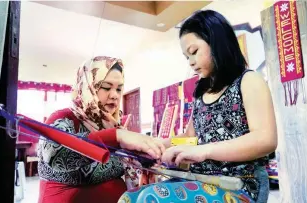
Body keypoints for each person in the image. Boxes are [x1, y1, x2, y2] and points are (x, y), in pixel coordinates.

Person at [118, 10, 277, 203]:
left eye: (194, 52)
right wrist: (156, 144)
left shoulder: (248, 81)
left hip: (239, 185)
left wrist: (206, 150)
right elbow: (190, 139)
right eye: (187, 57)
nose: (191, 62)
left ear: (217, 42)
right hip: (202, 181)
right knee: (130, 198)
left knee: (150, 198)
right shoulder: (202, 93)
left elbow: (266, 139)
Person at [37, 56, 165, 203]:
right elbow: (56, 156)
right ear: (88, 87)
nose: (115, 95)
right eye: (106, 87)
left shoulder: (111, 124)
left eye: (118, 89)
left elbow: (129, 160)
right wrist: (116, 136)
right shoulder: (64, 118)